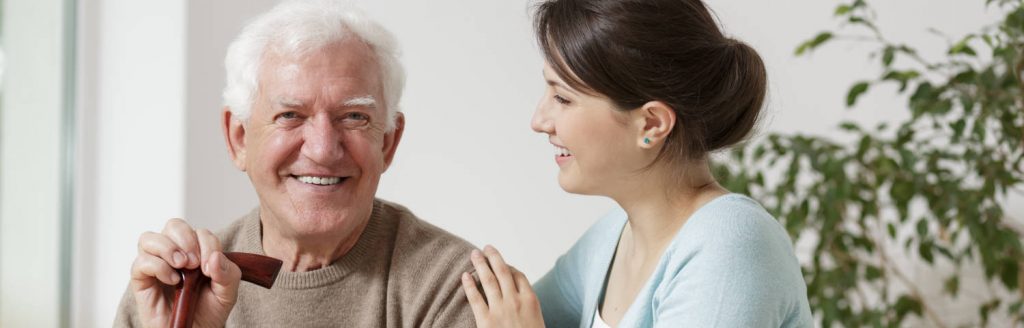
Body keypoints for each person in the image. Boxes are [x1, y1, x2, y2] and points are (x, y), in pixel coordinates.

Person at [114, 1, 477, 326]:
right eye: (290, 114)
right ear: (238, 138)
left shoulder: (455, 290)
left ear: (388, 142)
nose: (322, 149)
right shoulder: (173, 288)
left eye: (353, 116)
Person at [461, 0, 814, 326]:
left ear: (651, 124)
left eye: (562, 98)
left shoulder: (730, 245)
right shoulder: (614, 236)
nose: (539, 120)